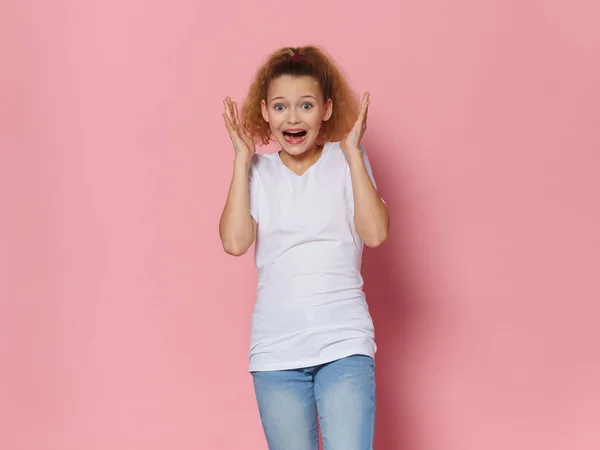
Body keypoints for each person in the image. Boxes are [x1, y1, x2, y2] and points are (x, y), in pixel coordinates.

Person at [219, 45, 389, 450]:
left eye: (306, 105)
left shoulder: (347, 159)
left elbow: (376, 233)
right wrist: (242, 160)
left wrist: (351, 152)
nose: (292, 117)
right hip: (276, 353)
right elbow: (234, 242)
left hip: (344, 345)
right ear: (264, 112)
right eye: (280, 107)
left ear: (327, 110)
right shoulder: (258, 171)